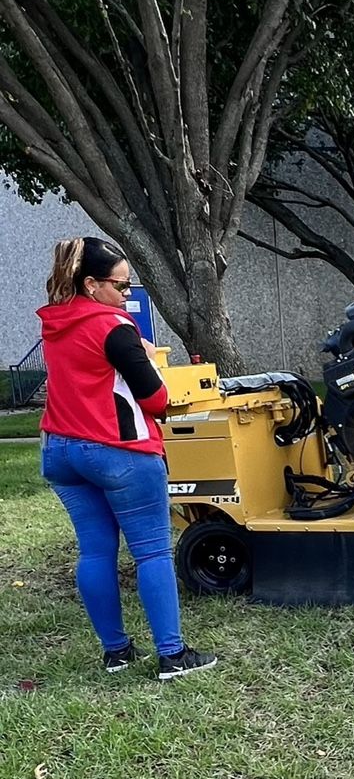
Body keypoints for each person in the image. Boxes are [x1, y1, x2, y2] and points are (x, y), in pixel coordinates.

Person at [38, 236, 217, 681]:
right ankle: (172, 656)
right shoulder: (114, 326)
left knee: (96, 551)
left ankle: (117, 652)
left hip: (60, 449)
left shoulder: (54, 323)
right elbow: (155, 399)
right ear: (92, 284)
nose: (127, 295)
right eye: (121, 286)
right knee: (153, 552)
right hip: (118, 451)